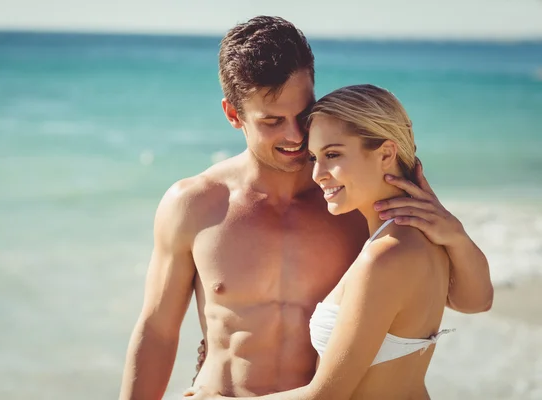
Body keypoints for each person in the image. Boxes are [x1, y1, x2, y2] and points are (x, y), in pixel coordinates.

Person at [118, 16, 493, 400]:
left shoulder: (352, 201)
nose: (295, 135)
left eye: (302, 113)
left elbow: (465, 299)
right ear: (234, 115)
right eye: (272, 121)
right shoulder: (194, 205)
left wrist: (456, 235)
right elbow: (158, 331)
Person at [185, 83, 459, 400]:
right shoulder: (425, 238)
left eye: (332, 155)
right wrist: (458, 235)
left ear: (385, 153)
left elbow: (326, 396)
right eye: (314, 157)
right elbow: (477, 299)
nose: (317, 173)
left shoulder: (384, 257)